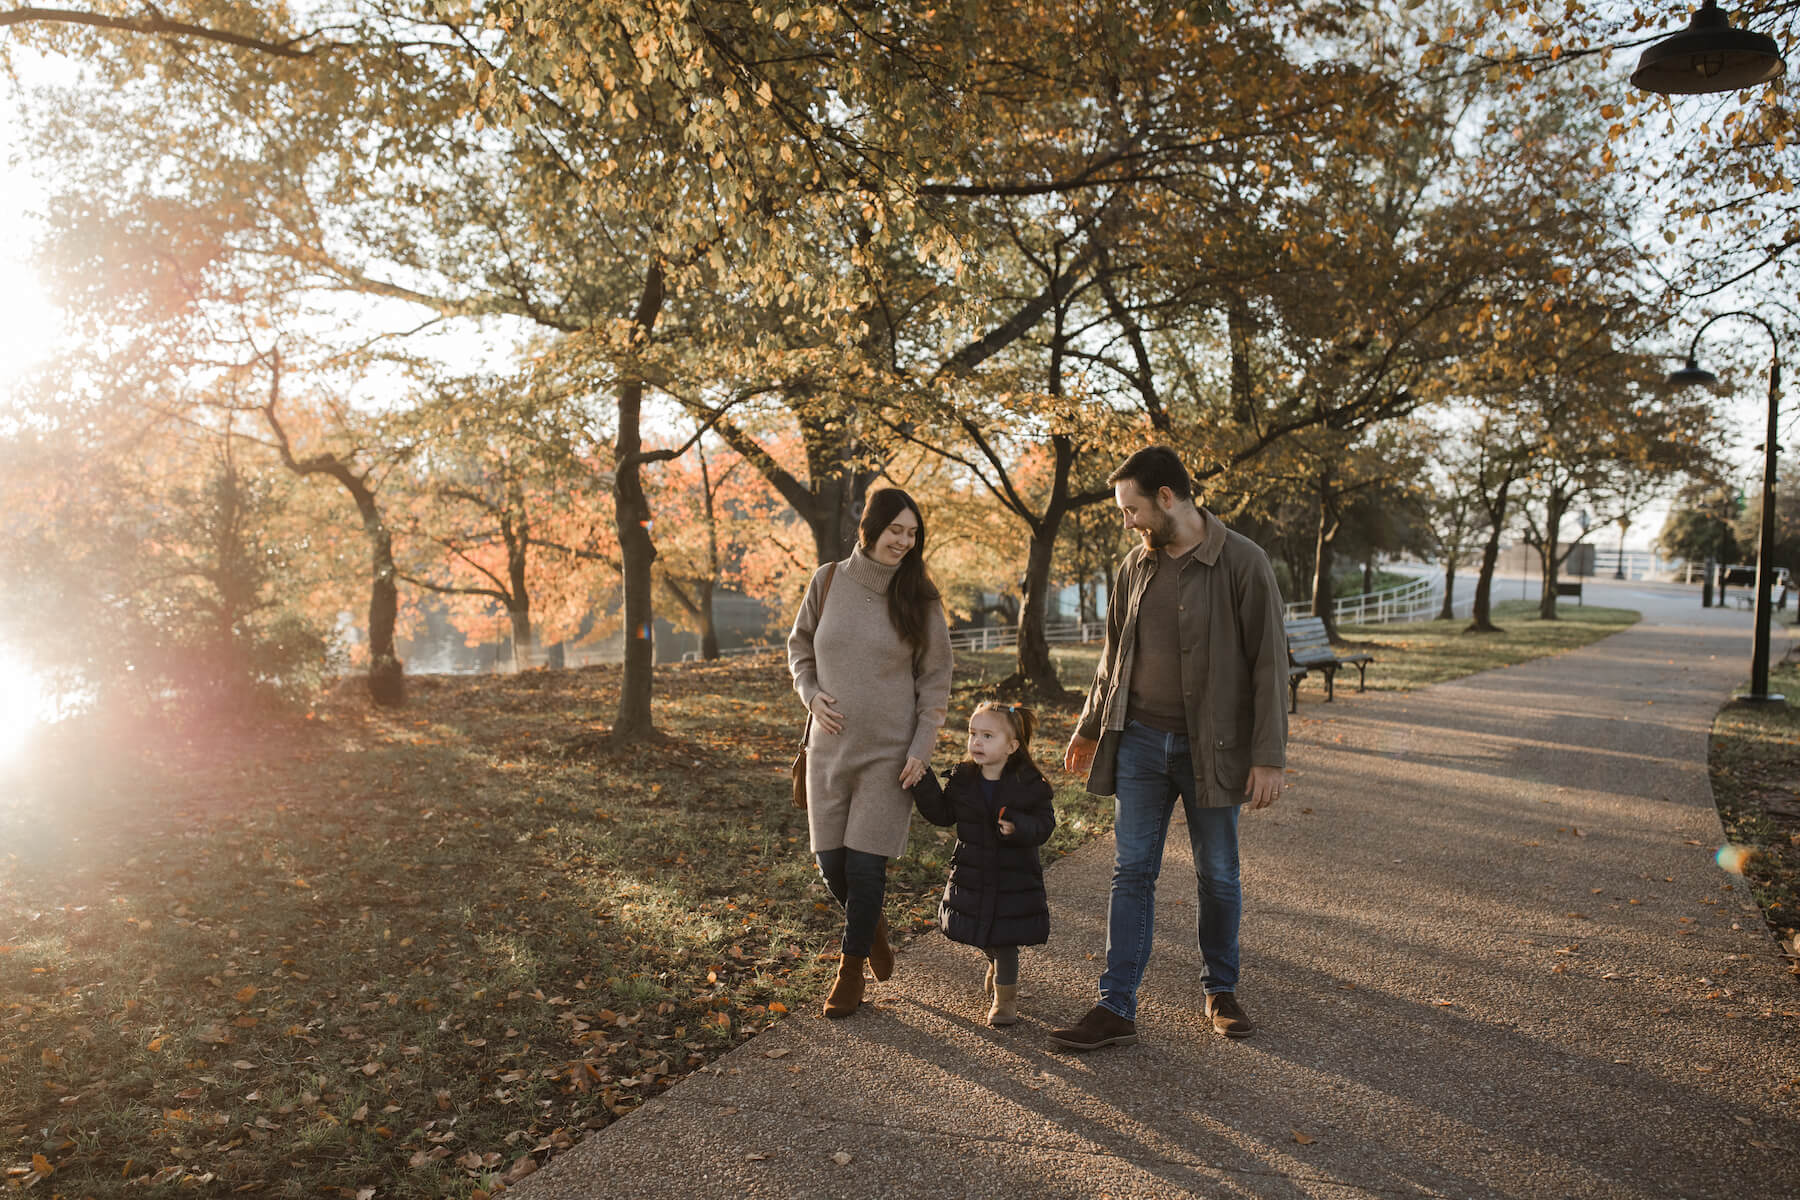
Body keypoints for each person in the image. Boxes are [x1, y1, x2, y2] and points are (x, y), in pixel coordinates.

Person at [1049, 445, 1288, 1052]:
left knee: (1219, 874)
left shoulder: (1243, 562)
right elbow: (1112, 659)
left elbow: (1269, 666)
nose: (1126, 521)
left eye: (1131, 509)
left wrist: (1268, 756)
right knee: (1131, 873)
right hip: (1139, 743)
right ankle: (1116, 1005)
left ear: (1165, 498)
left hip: (1215, 749)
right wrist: (1088, 726)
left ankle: (1221, 990)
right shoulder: (1134, 568)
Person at [787, 488, 952, 1019]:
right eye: (895, 530)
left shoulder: (920, 598)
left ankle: (850, 970)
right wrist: (810, 694)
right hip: (827, 749)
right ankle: (871, 928)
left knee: (865, 868)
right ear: (870, 527)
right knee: (831, 862)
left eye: (912, 533)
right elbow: (799, 648)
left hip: (889, 754)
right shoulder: (828, 579)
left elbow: (935, 681)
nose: (903, 541)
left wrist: (921, 749)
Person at [909, 701, 1056, 1027]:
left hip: (1013, 876)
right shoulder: (964, 779)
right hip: (974, 871)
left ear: (1012, 746)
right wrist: (924, 782)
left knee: (1005, 941)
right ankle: (994, 964)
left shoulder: (1029, 784)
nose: (976, 742)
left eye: (988, 736)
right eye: (973, 734)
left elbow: (1044, 825)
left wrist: (1019, 826)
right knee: (985, 935)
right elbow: (943, 814)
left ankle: (1006, 1001)